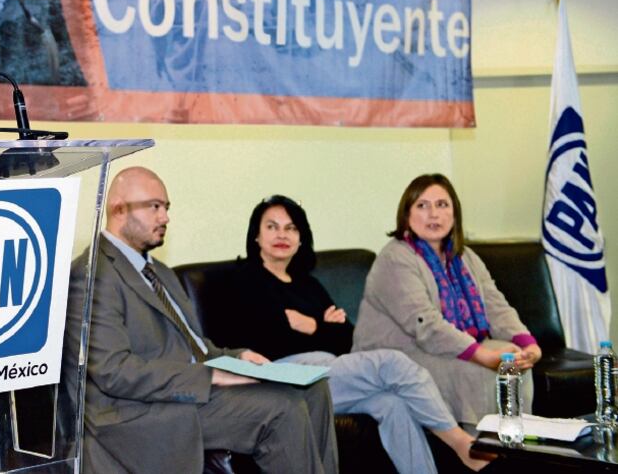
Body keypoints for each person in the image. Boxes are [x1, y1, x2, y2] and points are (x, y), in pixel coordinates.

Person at [66, 167, 337, 474]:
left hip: (185, 393)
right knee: (282, 410)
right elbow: (114, 372)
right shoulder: (92, 274)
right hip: (138, 413)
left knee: (314, 389)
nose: (165, 217)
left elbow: (196, 347)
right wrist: (209, 377)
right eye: (154, 206)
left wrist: (237, 358)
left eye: (166, 207)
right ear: (118, 209)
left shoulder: (160, 273)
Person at [226, 195, 487, 473]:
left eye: (291, 228)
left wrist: (313, 326)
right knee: (393, 363)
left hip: (326, 373)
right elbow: (269, 338)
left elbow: (348, 338)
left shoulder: (308, 284)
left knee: (392, 403)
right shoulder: (245, 279)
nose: (282, 235)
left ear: (301, 238)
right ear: (256, 236)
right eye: (272, 227)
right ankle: (460, 443)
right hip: (281, 377)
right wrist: (323, 327)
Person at [353, 173, 542, 423]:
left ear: (454, 214)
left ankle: (516, 443)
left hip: (446, 347)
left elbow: (496, 306)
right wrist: (482, 355)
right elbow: (427, 325)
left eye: (442, 205)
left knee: (516, 366)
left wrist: (528, 344)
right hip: (399, 357)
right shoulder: (395, 258)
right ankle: (482, 451)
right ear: (406, 216)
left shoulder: (465, 257)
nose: (434, 214)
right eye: (422, 206)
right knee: (479, 372)